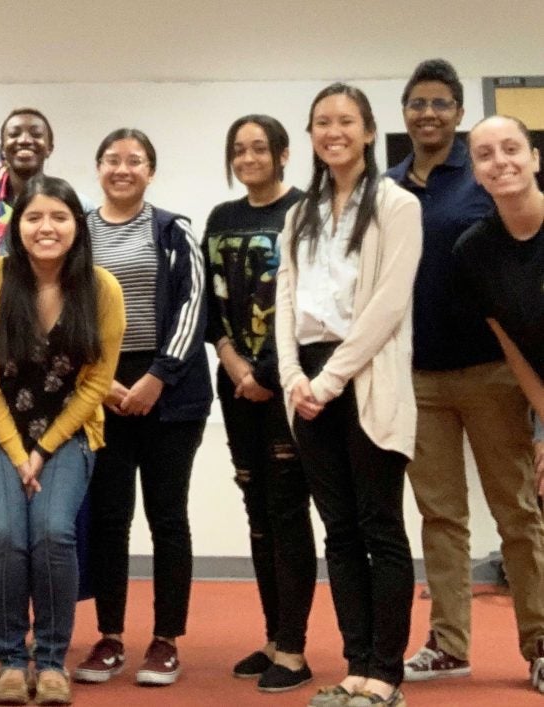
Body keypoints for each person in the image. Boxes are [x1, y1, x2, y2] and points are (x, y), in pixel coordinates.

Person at [384, 60, 544, 687]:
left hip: (492, 373)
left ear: (457, 114)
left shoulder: (481, 178)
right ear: (405, 113)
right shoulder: (389, 186)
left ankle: (539, 642)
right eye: (418, 102)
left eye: (442, 103)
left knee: (517, 512)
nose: (429, 113)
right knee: (440, 515)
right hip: (419, 376)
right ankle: (449, 644)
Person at [274, 83, 422, 707]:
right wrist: (290, 376)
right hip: (306, 379)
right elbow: (284, 297)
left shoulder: (395, 204)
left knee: (379, 524)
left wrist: (330, 378)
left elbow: (388, 304)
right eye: (321, 122)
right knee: (336, 528)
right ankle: (355, 663)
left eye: (346, 121)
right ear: (310, 135)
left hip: (364, 372)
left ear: (367, 131)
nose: (333, 131)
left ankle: (386, 671)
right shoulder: (299, 212)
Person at [0, 174, 125, 706]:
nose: (46, 227)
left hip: (68, 429)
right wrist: (17, 451)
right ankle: (11, 657)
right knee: (6, 533)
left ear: (78, 225)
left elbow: (98, 384)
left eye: (59, 217)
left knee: (54, 533)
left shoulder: (101, 288)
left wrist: (44, 449)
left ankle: (52, 658)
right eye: (34, 217)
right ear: (17, 225)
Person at [71, 129, 210, 689]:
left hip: (171, 393)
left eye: (135, 161)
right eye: (112, 160)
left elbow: (193, 308)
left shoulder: (174, 231)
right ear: (98, 167)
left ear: (151, 171)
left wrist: (157, 376)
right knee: (109, 518)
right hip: (101, 392)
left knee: (168, 518)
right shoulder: (77, 230)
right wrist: (98, 380)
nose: (122, 169)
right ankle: (109, 637)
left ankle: (166, 640)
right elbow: (64, 308)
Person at [201, 116, 316, 693]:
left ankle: (295, 650)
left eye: (259, 148)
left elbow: (312, 300)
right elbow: (209, 304)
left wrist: (267, 373)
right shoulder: (222, 219)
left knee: (288, 511)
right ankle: (274, 636)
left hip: (285, 385)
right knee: (257, 511)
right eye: (238, 150)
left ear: (283, 154)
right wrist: (233, 363)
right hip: (236, 384)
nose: (248, 158)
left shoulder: (304, 212)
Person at [455, 113, 544, 694]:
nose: (500, 162)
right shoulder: (475, 251)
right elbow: (515, 351)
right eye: (485, 155)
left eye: (511, 148)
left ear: (535, 157)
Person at [0, 107, 54, 259]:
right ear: (2, 149)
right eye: (14, 134)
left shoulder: (70, 205)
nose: (24, 140)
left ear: (49, 148)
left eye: (36, 134)